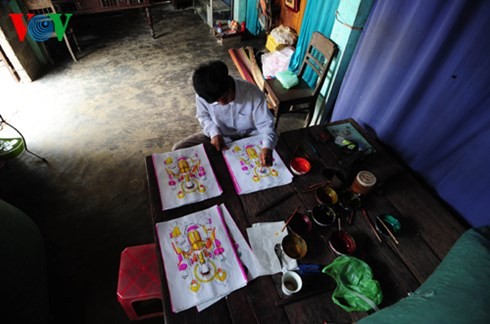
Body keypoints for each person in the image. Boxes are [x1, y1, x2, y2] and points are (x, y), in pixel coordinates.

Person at [173, 60, 277, 166]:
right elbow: (203, 116)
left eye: (224, 97)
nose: (222, 104)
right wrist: (214, 134)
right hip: (220, 136)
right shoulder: (204, 93)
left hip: (250, 137)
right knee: (179, 149)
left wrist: (267, 147)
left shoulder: (252, 93)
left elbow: (266, 125)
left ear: (229, 83)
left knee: (272, 152)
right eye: (216, 102)